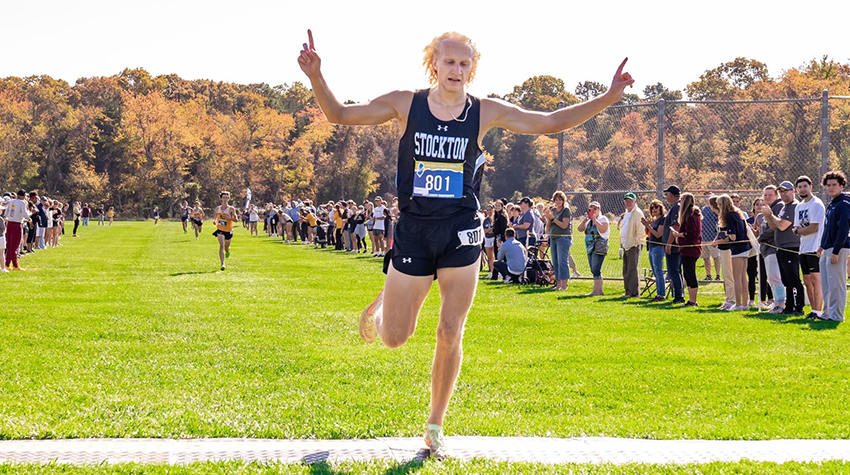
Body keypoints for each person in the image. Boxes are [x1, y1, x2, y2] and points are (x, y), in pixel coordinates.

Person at [299, 29, 634, 457]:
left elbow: (550, 122)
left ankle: (435, 424)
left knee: (450, 329)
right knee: (395, 339)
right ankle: (384, 309)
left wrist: (608, 97)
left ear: (471, 69)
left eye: (464, 64)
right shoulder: (406, 104)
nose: (456, 70)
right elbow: (339, 115)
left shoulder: (484, 112)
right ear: (433, 64)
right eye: (449, 62)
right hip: (415, 232)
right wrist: (316, 76)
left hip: (461, 232)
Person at [765, 181, 804, 316]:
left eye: (786, 191)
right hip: (781, 247)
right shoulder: (784, 207)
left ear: (793, 191)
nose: (783, 194)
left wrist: (770, 216)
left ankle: (798, 307)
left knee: (793, 279)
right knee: (786, 280)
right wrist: (768, 216)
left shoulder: (793, 206)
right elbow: (774, 226)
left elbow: (782, 225)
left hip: (790, 247)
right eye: (781, 191)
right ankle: (789, 307)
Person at [817, 170, 850, 322]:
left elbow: (843, 230)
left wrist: (836, 251)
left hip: (839, 248)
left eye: (834, 185)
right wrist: (822, 246)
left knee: (837, 283)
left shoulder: (843, 203)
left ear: (842, 186)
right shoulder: (832, 204)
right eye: (828, 185)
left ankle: (837, 315)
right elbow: (827, 228)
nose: (831, 188)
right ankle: (826, 313)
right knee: (826, 284)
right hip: (827, 248)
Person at [792, 176, 825, 319]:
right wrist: (798, 230)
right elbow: (796, 226)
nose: (802, 189)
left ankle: (818, 311)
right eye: (800, 187)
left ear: (810, 187)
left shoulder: (816, 204)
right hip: (803, 248)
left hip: (815, 247)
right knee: (806, 280)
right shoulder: (799, 206)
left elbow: (813, 228)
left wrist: (798, 231)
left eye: (805, 186)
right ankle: (813, 309)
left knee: (815, 279)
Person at [714, 194, 751, 311]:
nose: (718, 207)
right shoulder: (738, 214)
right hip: (745, 248)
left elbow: (733, 237)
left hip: (738, 249)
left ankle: (739, 304)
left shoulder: (730, 216)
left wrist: (721, 239)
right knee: (743, 277)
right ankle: (745, 303)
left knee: (737, 277)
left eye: (719, 204)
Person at [670, 193, 702, 307]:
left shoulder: (692, 215)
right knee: (687, 274)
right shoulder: (688, 215)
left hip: (691, 249)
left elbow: (691, 233)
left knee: (690, 273)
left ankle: (693, 300)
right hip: (685, 249)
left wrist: (678, 235)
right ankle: (690, 299)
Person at [758, 186, 786, 313]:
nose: (767, 197)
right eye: (765, 195)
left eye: (770, 194)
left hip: (773, 247)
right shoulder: (767, 209)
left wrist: (761, 238)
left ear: (776, 195)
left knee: (775, 276)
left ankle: (781, 303)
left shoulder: (778, 207)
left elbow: (775, 227)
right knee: (770, 277)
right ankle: (776, 301)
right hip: (766, 248)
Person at [578, 201, 610, 296]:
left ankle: (597, 291)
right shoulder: (588, 221)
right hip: (590, 247)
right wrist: (585, 220)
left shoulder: (603, 218)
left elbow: (603, 229)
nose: (593, 210)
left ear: (599, 210)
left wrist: (595, 220)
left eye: (595, 208)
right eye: (590, 209)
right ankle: (598, 290)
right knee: (593, 269)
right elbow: (580, 229)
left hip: (599, 246)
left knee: (596, 268)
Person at [545, 191, 572, 291]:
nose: (558, 202)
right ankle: (558, 284)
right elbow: (549, 225)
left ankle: (564, 285)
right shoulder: (553, 210)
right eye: (556, 200)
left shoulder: (566, 210)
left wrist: (554, 219)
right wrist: (548, 219)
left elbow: (564, 225)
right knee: (555, 261)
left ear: (563, 201)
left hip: (563, 237)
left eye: (560, 200)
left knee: (562, 262)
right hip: (553, 237)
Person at [619, 192, 645, 298]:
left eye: (630, 201)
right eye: (626, 201)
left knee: (632, 268)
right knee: (626, 268)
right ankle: (628, 291)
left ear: (635, 202)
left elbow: (641, 230)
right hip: (626, 244)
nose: (628, 203)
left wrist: (636, 243)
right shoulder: (626, 213)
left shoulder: (638, 213)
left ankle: (634, 292)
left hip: (634, 245)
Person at [662, 185, 684, 303]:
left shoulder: (676, 207)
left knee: (674, 271)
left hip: (673, 246)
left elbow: (675, 226)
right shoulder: (677, 206)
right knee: (676, 270)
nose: (666, 197)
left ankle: (679, 296)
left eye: (667, 194)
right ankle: (679, 294)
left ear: (671, 195)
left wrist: (669, 244)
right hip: (674, 245)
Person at [641, 199, 667, 302]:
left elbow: (658, 234)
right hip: (651, 246)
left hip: (658, 246)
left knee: (658, 270)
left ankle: (661, 294)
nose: (654, 209)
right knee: (655, 271)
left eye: (656, 207)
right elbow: (648, 233)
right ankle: (658, 293)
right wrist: (647, 225)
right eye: (652, 207)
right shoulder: (654, 220)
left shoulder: (662, 219)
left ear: (661, 208)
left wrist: (648, 226)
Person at [4, 190, 30, 271]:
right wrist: (29, 217)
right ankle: (15, 265)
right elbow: (25, 213)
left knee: (9, 245)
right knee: (15, 245)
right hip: (17, 224)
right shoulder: (22, 203)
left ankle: (7, 264)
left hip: (10, 224)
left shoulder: (11, 202)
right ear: (22, 196)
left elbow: (6, 213)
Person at [213, 191, 238, 271]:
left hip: (228, 230)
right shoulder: (218, 208)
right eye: (224, 197)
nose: (225, 199)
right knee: (221, 245)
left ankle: (227, 250)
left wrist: (229, 218)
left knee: (226, 248)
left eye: (227, 198)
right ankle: (222, 263)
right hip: (220, 229)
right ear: (221, 199)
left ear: (229, 199)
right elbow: (216, 217)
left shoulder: (231, 209)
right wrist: (215, 221)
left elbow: (236, 219)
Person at [700, 194, 720, 280]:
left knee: (716, 257)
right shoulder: (703, 210)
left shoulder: (715, 210)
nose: (707, 199)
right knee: (705, 257)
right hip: (704, 237)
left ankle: (718, 275)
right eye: (706, 197)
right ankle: (708, 275)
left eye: (709, 197)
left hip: (713, 237)